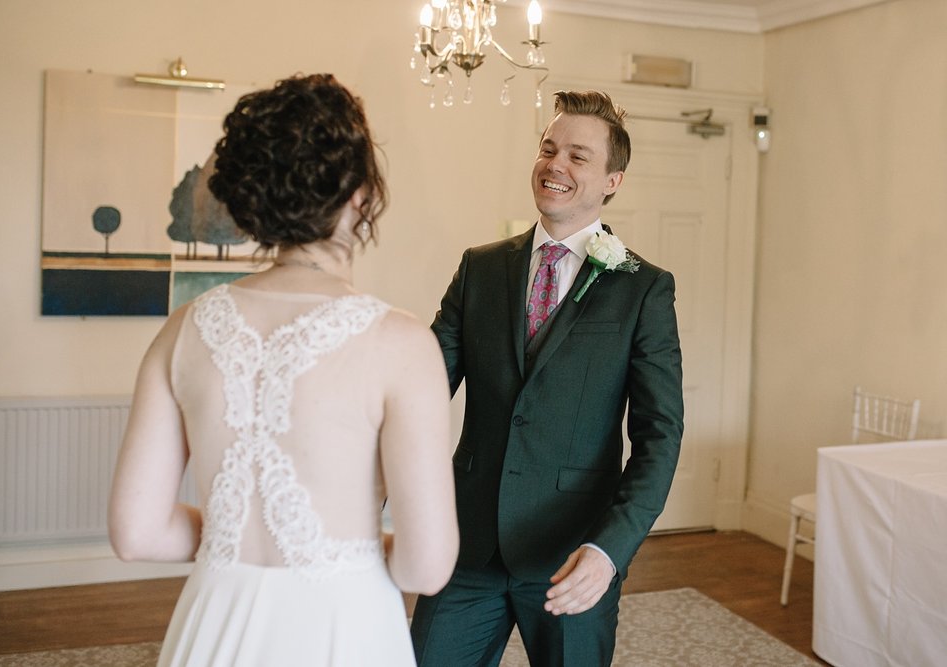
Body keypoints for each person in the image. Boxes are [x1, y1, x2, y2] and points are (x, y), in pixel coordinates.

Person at [108, 73, 459, 667]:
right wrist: (360, 548)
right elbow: (425, 567)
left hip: (215, 624)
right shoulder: (400, 343)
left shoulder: (183, 330)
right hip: (342, 627)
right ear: (360, 196)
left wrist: (231, 534)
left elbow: (136, 533)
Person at [410, 90, 684, 666]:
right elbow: (420, 389)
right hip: (467, 549)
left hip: (574, 556)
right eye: (548, 148)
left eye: (578, 156)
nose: (555, 164)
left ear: (614, 180)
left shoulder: (643, 288)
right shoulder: (480, 267)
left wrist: (609, 551)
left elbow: (660, 436)